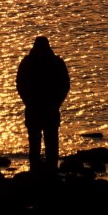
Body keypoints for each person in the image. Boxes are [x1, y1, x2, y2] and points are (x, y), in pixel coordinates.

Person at [16, 36, 70, 173]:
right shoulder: (57, 63)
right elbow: (65, 85)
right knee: (50, 141)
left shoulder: (27, 63)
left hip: (35, 108)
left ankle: (36, 171)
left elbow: (20, 85)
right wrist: (56, 102)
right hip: (49, 108)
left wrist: (28, 101)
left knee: (35, 142)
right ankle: (51, 171)